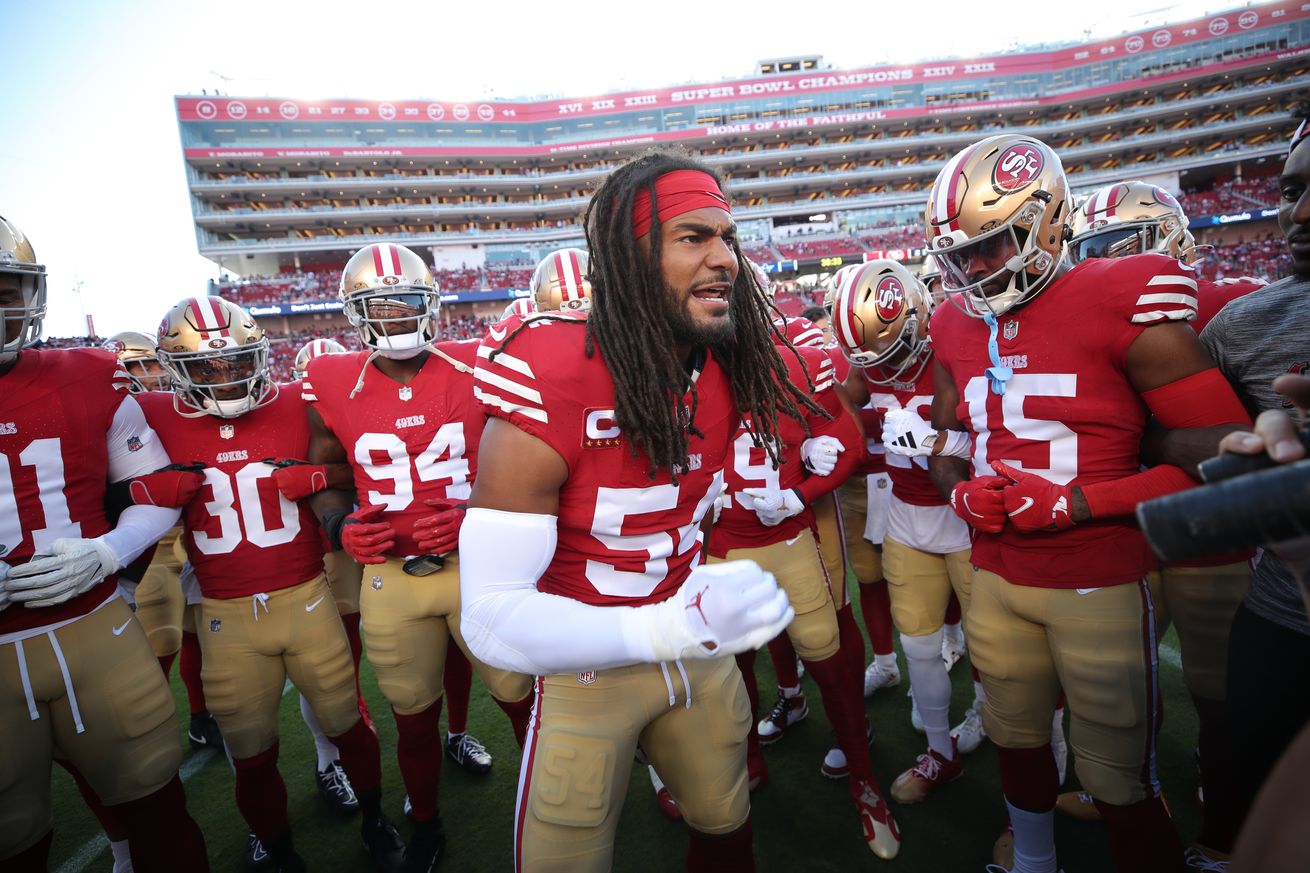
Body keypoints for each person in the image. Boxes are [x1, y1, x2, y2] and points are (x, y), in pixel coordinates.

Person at [460, 152, 831, 871]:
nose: (724, 258)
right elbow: (490, 615)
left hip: (696, 655)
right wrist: (664, 626)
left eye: (727, 237)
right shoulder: (551, 370)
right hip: (588, 669)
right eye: (693, 237)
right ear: (628, 260)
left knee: (728, 832)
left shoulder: (728, 358)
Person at [923, 135, 1250, 873]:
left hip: (1097, 577)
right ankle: (1033, 860)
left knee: (1116, 777)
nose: (973, 270)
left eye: (989, 245)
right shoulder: (949, 322)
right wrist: (959, 488)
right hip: (995, 575)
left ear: (1045, 225)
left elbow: (1226, 458)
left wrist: (1077, 503)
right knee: (1015, 740)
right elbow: (950, 442)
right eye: (958, 255)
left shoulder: (1121, 293)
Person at [137, 295, 403, 873]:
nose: (226, 377)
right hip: (224, 615)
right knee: (252, 754)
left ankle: (375, 820)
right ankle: (280, 851)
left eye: (236, 361)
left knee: (348, 726)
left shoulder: (294, 403)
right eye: (207, 368)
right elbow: (94, 483)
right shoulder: (153, 415)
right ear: (175, 369)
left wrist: (320, 476)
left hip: (307, 597)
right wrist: (140, 492)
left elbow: (362, 465)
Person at [304, 242, 534, 873]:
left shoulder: (478, 362)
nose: (396, 316)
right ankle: (427, 824)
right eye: (380, 306)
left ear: (430, 303)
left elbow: (533, 457)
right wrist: (340, 525)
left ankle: (548, 804)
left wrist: (477, 514)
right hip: (390, 577)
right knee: (411, 718)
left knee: (523, 699)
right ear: (355, 314)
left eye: (406, 301)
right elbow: (325, 473)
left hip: (479, 563)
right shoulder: (330, 379)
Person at [1061, 179, 1262, 865]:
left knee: (1218, 693)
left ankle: (1225, 829)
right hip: (1130, 531)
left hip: (1214, 536)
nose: (1103, 265)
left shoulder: (1229, 305)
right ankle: (1125, 788)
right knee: (1118, 682)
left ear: (1170, 239)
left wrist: (1152, 441)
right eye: (1089, 251)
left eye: (1118, 247)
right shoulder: (1087, 316)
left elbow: (1246, 439)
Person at [0, 216, 209, 872]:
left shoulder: (90, 376)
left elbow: (157, 487)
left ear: (31, 294)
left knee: (157, 803)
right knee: (10, 833)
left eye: (3, 289)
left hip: (94, 623)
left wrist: (109, 551)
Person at [1159, 108, 1310, 869]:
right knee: (1252, 779)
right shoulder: (1247, 322)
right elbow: (1162, 429)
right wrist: (1230, 446)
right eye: (1289, 190)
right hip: (1283, 606)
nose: (1300, 213)